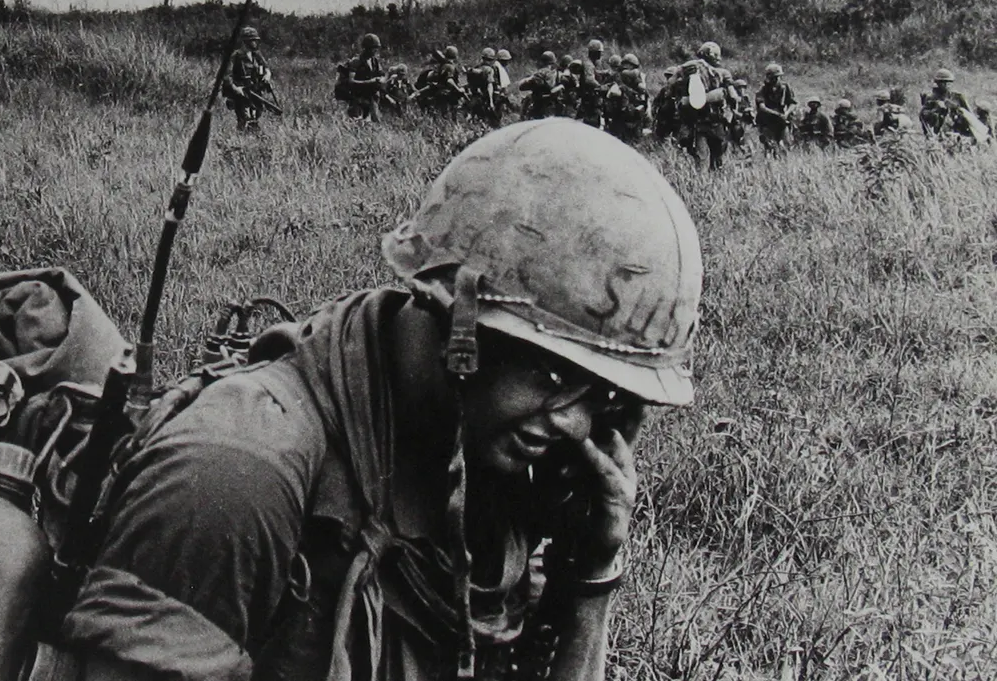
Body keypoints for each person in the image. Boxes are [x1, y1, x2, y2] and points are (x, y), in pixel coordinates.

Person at [56, 119, 703, 681]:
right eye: (554, 374)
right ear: (456, 320)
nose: (576, 422)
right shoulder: (232, 479)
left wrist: (590, 575)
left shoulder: (485, 472)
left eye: (603, 394)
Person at [223, 26, 275, 130]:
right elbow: (227, 76)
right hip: (242, 91)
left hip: (256, 90)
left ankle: (252, 138)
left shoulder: (256, 54)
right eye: (253, 41)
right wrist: (235, 88)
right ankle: (241, 139)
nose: (255, 43)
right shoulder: (236, 55)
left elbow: (266, 68)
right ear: (245, 42)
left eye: (256, 40)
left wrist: (267, 75)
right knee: (244, 117)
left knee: (256, 114)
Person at [337, 34, 387, 121]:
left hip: (371, 96)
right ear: (367, 48)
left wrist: (380, 80)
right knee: (356, 121)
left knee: (375, 121)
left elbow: (382, 75)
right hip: (357, 97)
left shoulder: (375, 62)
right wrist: (370, 82)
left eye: (376, 48)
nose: (376, 50)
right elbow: (351, 81)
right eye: (373, 48)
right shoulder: (356, 61)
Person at [919, 68, 977, 138]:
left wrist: (957, 111)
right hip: (937, 134)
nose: (947, 85)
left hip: (958, 133)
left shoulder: (958, 97)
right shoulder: (931, 98)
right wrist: (936, 109)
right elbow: (923, 117)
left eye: (949, 82)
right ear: (937, 83)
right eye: (943, 82)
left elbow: (971, 117)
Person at [754, 64, 797, 154]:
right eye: (774, 77)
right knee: (769, 146)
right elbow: (762, 107)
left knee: (786, 145)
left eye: (778, 77)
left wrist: (786, 113)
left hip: (781, 121)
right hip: (767, 120)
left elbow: (793, 103)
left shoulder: (785, 87)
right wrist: (776, 114)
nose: (777, 79)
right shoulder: (762, 89)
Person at [603, 69, 650, 145]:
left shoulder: (621, 89)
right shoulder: (640, 91)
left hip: (624, 122)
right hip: (633, 122)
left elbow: (614, 106)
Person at [519, 52, 561, 120]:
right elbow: (551, 88)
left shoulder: (537, 73)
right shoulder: (549, 73)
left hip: (536, 103)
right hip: (547, 104)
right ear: (552, 63)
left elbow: (523, 86)